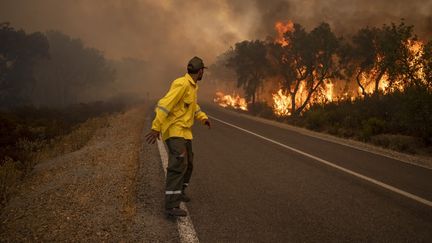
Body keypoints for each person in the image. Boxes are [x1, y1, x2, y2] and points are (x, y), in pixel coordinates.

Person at [145, 56, 211, 217]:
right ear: (200, 71)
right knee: (178, 164)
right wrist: (155, 127)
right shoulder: (181, 84)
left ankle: (179, 191)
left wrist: (203, 118)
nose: (203, 73)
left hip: (185, 131)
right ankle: (171, 205)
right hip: (174, 130)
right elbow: (164, 105)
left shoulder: (192, 86)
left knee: (189, 164)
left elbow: (193, 107)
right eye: (203, 71)